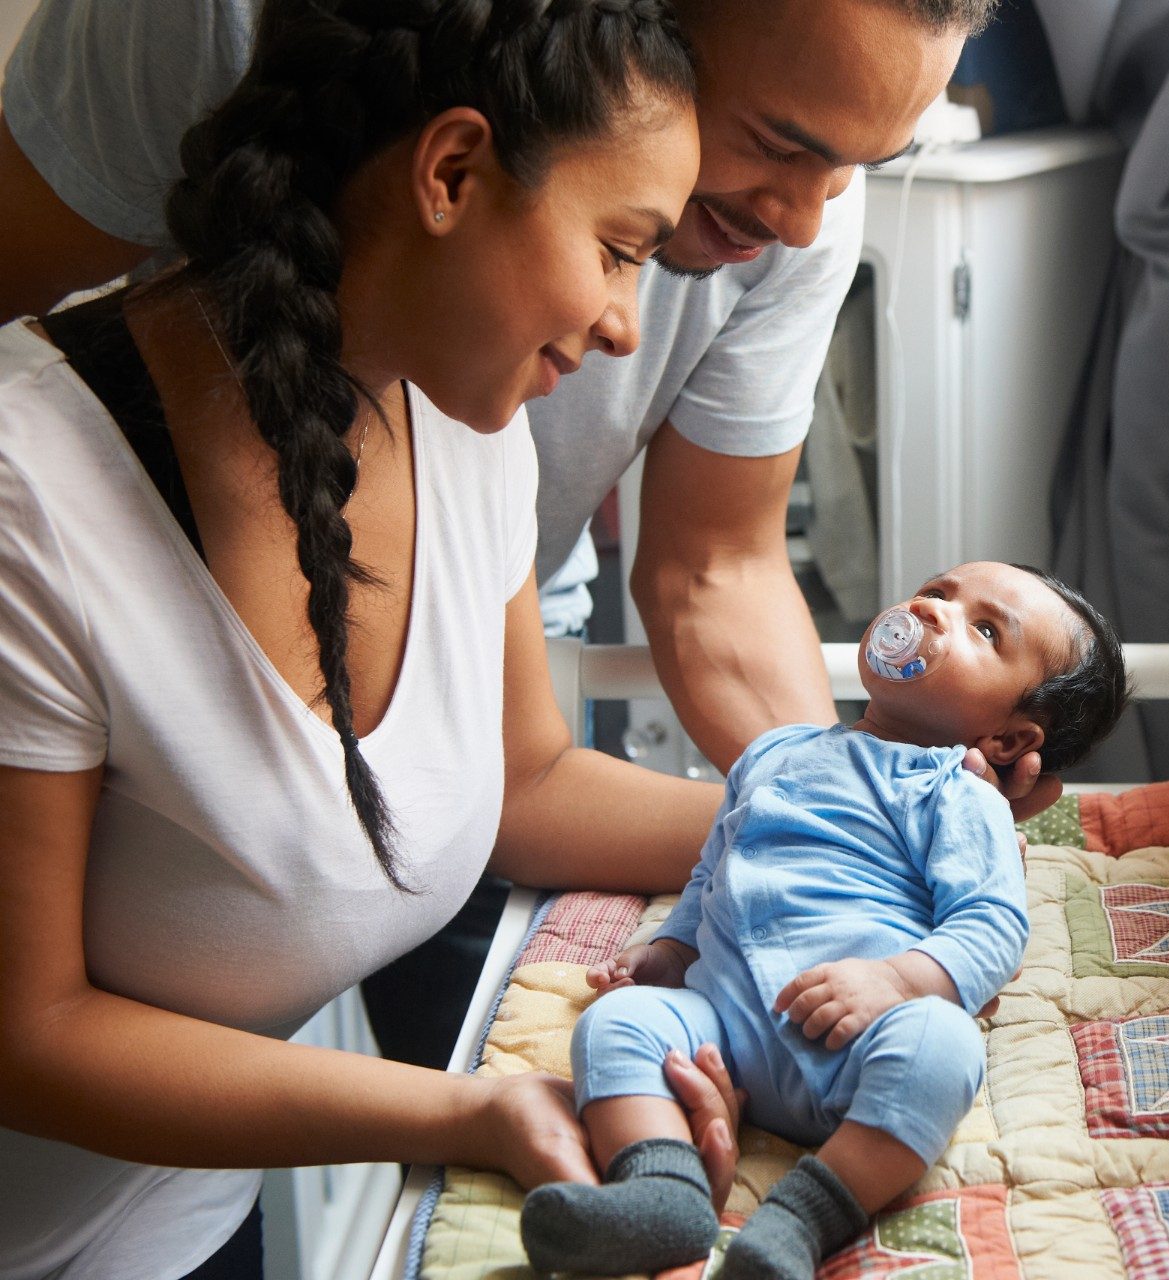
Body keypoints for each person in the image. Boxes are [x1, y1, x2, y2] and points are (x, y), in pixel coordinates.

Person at [0, 0, 1057, 1073]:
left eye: (854, 168)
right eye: (781, 144)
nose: (805, 218)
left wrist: (843, 812)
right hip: (142, 601)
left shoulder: (478, 450)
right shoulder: (217, 30)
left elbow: (712, 568)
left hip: (475, 639)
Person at [0, 4, 758, 1277]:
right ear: (452, 172)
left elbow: (529, 785)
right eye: (621, 249)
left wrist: (829, 806)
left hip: (182, 1209)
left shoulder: (468, 418)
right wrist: (472, 1108)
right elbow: (30, 1034)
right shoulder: (35, 492)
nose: (630, 321)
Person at [518, 561, 1130, 1278]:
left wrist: (900, 983)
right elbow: (717, 864)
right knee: (617, 1024)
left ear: (1008, 742)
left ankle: (800, 1219)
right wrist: (675, 948)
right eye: (937, 592)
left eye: (985, 629)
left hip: (860, 1035)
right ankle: (664, 1194)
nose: (933, 611)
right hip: (723, 1030)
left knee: (944, 1044)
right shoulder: (776, 751)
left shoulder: (957, 796)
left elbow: (993, 924)